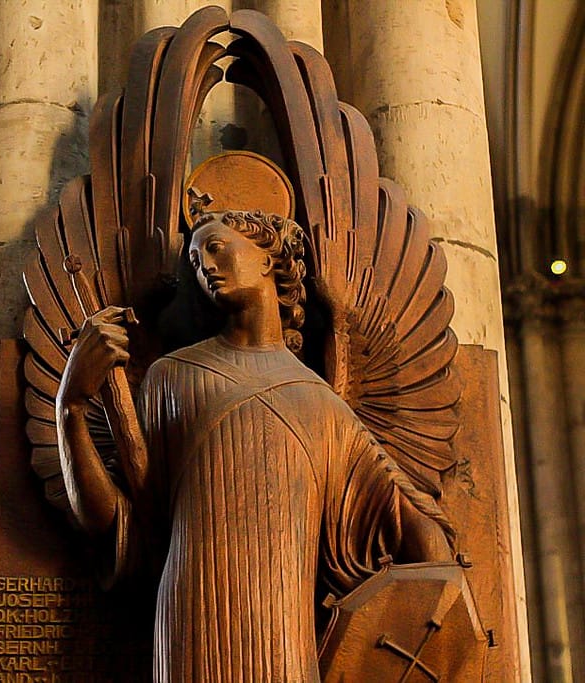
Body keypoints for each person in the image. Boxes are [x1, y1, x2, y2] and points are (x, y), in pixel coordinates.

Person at [56, 209, 455, 681]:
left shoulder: (322, 404)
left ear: (268, 258)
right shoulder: (172, 378)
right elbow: (120, 523)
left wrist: (437, 612)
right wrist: (71, 406)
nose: (205, 266)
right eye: (195, 259)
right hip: (192, 616)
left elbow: (411, 526)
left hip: (284, 625)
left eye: (215, 248)